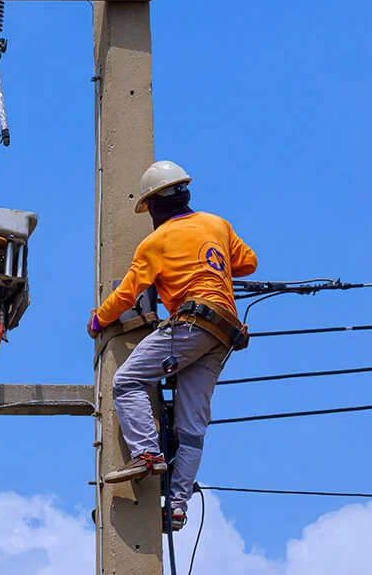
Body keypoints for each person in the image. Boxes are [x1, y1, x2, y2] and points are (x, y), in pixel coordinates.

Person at [86, 160, 257, 530]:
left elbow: (127, 293)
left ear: (154, 206)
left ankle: (147, 453)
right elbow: (249, 263)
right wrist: (211, 263)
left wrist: (98, 320)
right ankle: (177, 506)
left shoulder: (156, 242)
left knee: (129, 381)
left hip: (193, 325)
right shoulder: (217, 224)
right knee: (192, 425)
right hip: (224, 333)